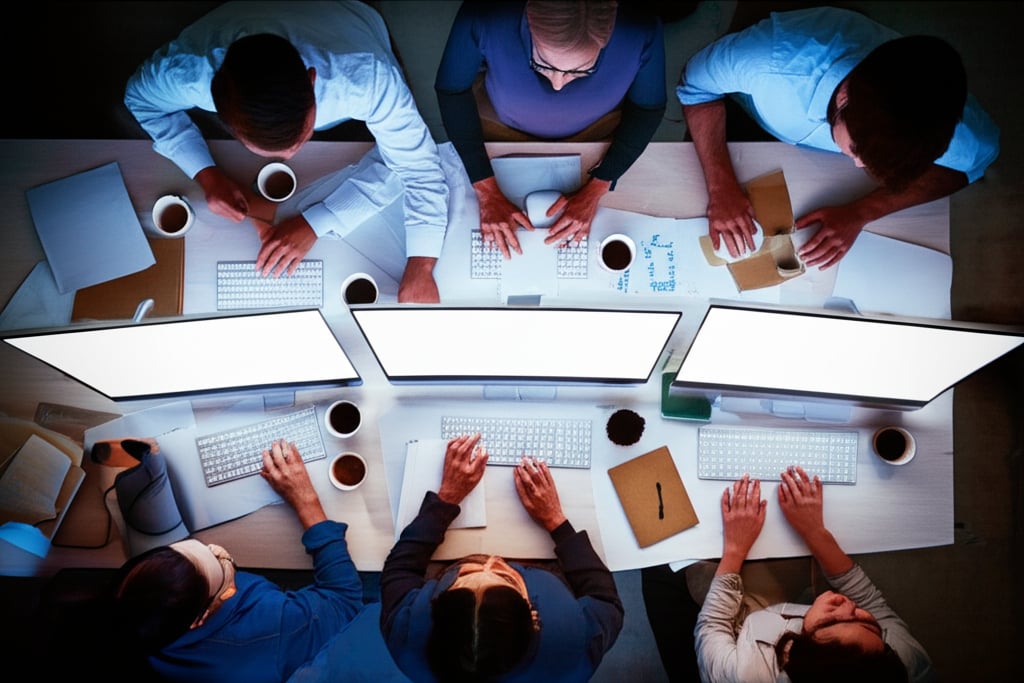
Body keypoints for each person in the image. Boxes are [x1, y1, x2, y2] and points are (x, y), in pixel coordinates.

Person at [124, 1, 449, 302]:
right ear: (217, 110)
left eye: (299, 138)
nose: (291, 157)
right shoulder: (185, 74)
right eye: (273, 148)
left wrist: (421, 266)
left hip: (348, 17)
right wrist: (206, 174)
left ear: (312, 79)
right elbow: (139, 100)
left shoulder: (369, 79)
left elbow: (416, 167)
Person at [677, 6, 999, 267]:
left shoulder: (959, 129)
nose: (857, 165)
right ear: (844, 96)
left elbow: (969, 168)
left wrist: (862, 211)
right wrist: (720, 185)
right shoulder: (764, 62)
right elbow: (694, 87)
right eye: (856, 148)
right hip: (750, 109)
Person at [111, 439, 365, 683]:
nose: (215, 548)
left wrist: (151, 462)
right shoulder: (271, 629)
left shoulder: (141, 613)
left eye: (194, 547)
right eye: (220, 562)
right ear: (201, 617)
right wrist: (306, 499)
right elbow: (344, 602)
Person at [379, 433, 624, 682]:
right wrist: (556, 522)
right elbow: (606, 601)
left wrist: (445, 500)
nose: (493, 560)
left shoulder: (403, 634)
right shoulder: (574, 635)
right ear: (533, 616)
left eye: (466, 575)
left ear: (433, 607)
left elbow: (400, 569)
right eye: (505, 577)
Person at [435, 1, 666, 258]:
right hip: (500, 126)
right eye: (543, 64)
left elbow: (648, 108)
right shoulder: (487, 13)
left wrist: (599, 186)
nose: (557, 85)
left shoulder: (640, 26)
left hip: (597, 134)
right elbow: (451, 90)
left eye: (580, 71)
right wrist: (485, 190)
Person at [695, 466, 935, 683]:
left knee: (699, 575)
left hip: (751, 620)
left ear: (796, 650)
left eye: (832, 621)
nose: (845, 603)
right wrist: (815, 531)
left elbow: (712, 625)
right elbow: (871, 601)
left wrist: (735, 547)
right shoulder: (905, 660)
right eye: (868, 625)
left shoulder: (745, 675)